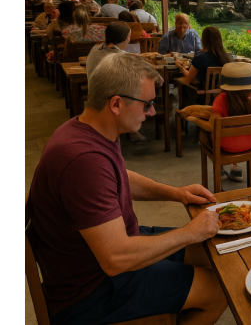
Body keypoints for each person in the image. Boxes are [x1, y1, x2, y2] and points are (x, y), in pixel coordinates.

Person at [26, 54, 228, 325]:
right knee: (219, 287)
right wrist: (188, 232)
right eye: (147, 104)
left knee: (207, 251)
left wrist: (176, 193)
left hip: (104, 260)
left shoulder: (90, 129)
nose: (152, 112)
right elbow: (115, 258)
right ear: (117, 104)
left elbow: (119, 177)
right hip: (90, 291)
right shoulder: (83, 160)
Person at [210, 62, 251, 182]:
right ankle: (236, 168)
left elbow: (213, 125)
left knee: (208, 133)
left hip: (228, 147)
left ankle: (219, 167)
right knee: (238, 134)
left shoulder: (221, 100)